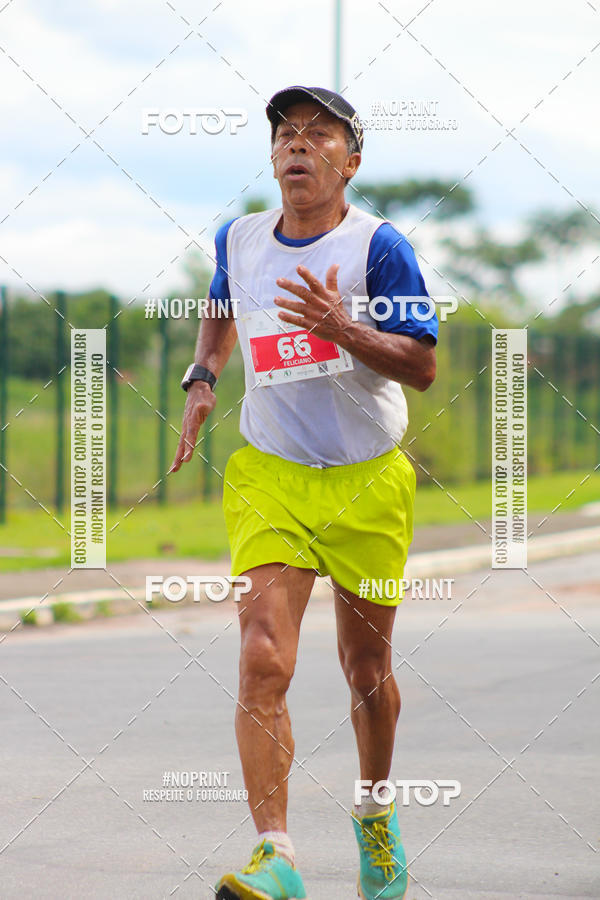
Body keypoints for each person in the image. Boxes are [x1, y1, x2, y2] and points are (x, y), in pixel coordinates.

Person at [171, 85, 438, 900]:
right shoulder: (242, 237)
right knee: (261, 657)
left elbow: (422, 367)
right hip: (270, 473)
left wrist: (345, 330)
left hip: (367, 481)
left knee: (366, 670)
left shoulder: (378, 248)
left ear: (350, 162)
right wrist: (204, 374)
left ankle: (376, 815)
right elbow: (222, 298)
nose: (298, 143)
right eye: (286, 133)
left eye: (319, 134)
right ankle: (276, 856)